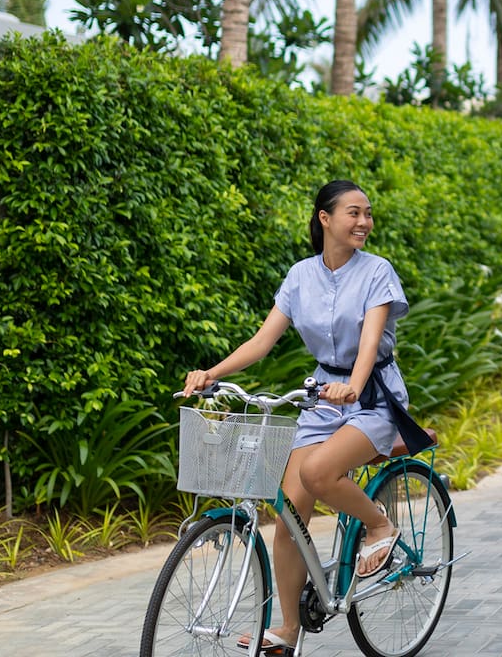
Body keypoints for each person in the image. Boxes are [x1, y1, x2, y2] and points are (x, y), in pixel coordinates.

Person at [179, 179, 433, 657]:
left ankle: (379, 525)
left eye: (367, 213)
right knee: (290, 514)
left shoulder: (377, 271)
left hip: (372, 398)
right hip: (321, 399)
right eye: (354, 213)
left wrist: (354, 385)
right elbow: (262, 341)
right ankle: (289, 628)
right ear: (325, 218)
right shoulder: (300, 276)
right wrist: (212, 373)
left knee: (318, 472)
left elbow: (369, 342)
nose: (364, 222)